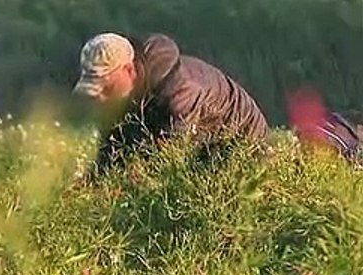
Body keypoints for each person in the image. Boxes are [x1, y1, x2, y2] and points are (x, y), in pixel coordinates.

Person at [72, 32, 269, 177]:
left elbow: (170, 159)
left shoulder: (180, 93)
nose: (100, 99)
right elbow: (111, 153)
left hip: (243, 143)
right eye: (95, 92)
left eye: (106, 89)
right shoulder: (123, 95)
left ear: (129, 71)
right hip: (202, 144)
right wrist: (91, 184)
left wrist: (139, 175)